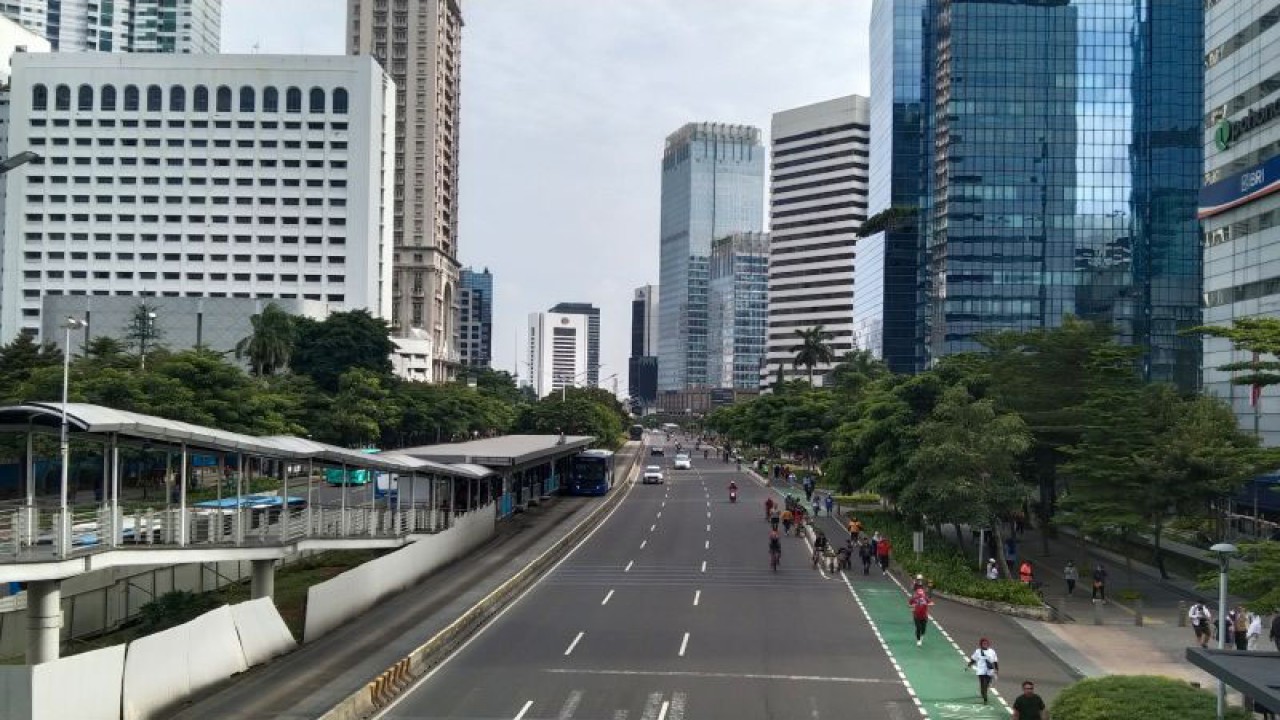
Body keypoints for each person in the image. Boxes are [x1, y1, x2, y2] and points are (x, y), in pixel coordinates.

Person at [966, 638, 1000, 705]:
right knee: (982, 685)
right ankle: (984, 696)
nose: (985, 644)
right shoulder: (977, 651)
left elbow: (995, 661)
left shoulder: (992, 651)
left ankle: (984, 696)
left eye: (986, 643)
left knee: (985, 685)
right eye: (983, 643)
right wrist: (968, 666)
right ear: (981, 644)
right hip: (981, 671)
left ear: (988, 644)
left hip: (989, 671)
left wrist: (996, 670)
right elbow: (973, 660)